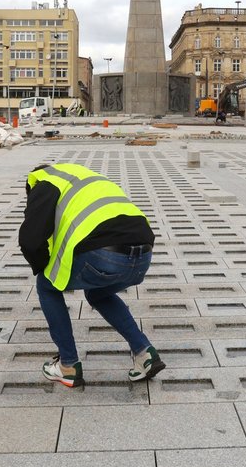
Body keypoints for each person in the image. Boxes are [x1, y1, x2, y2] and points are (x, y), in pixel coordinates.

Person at [19, 163, 165, 388]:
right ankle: (145, 354)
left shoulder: (42, 183)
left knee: (46, 286)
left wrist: (42, 266)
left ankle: (68, 366)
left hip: (104, 253)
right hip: (143, 254)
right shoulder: (80, 178)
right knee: (98, 294)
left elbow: (31, 239)